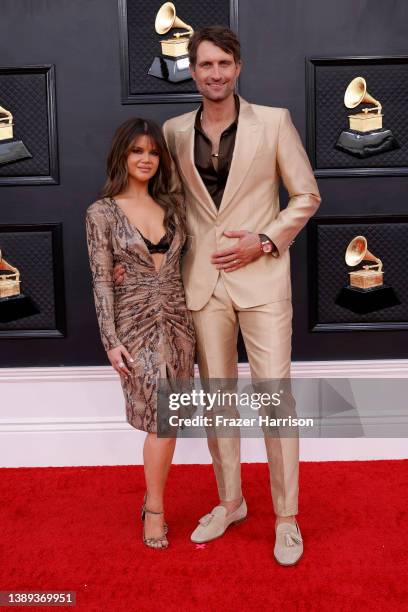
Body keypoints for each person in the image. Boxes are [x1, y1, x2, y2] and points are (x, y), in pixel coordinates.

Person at [115, 26, 321, 565]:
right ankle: (231, 501)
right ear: (192, 69)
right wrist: (133, 260)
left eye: (223, 63)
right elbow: (168, 206)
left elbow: (306, 194)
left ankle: (286, 518)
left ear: (238, 67)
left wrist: (266, 240)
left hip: (263, 282)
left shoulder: (273, 122)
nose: (214, 73)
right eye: (204, 64)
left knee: (276, 401)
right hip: (200, 285)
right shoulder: (175, 130)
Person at [86, 118, 195, 550]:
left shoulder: (174, 207)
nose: (146, 159)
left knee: (169, 420)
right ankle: (155, 509)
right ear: (122, 156)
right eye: (137, 151)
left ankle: (154, 501)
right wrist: (110, 341)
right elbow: (99, 278)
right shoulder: (101, 212)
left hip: (179, 320)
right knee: (160, 419)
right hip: (134, 324)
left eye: (153, 152)